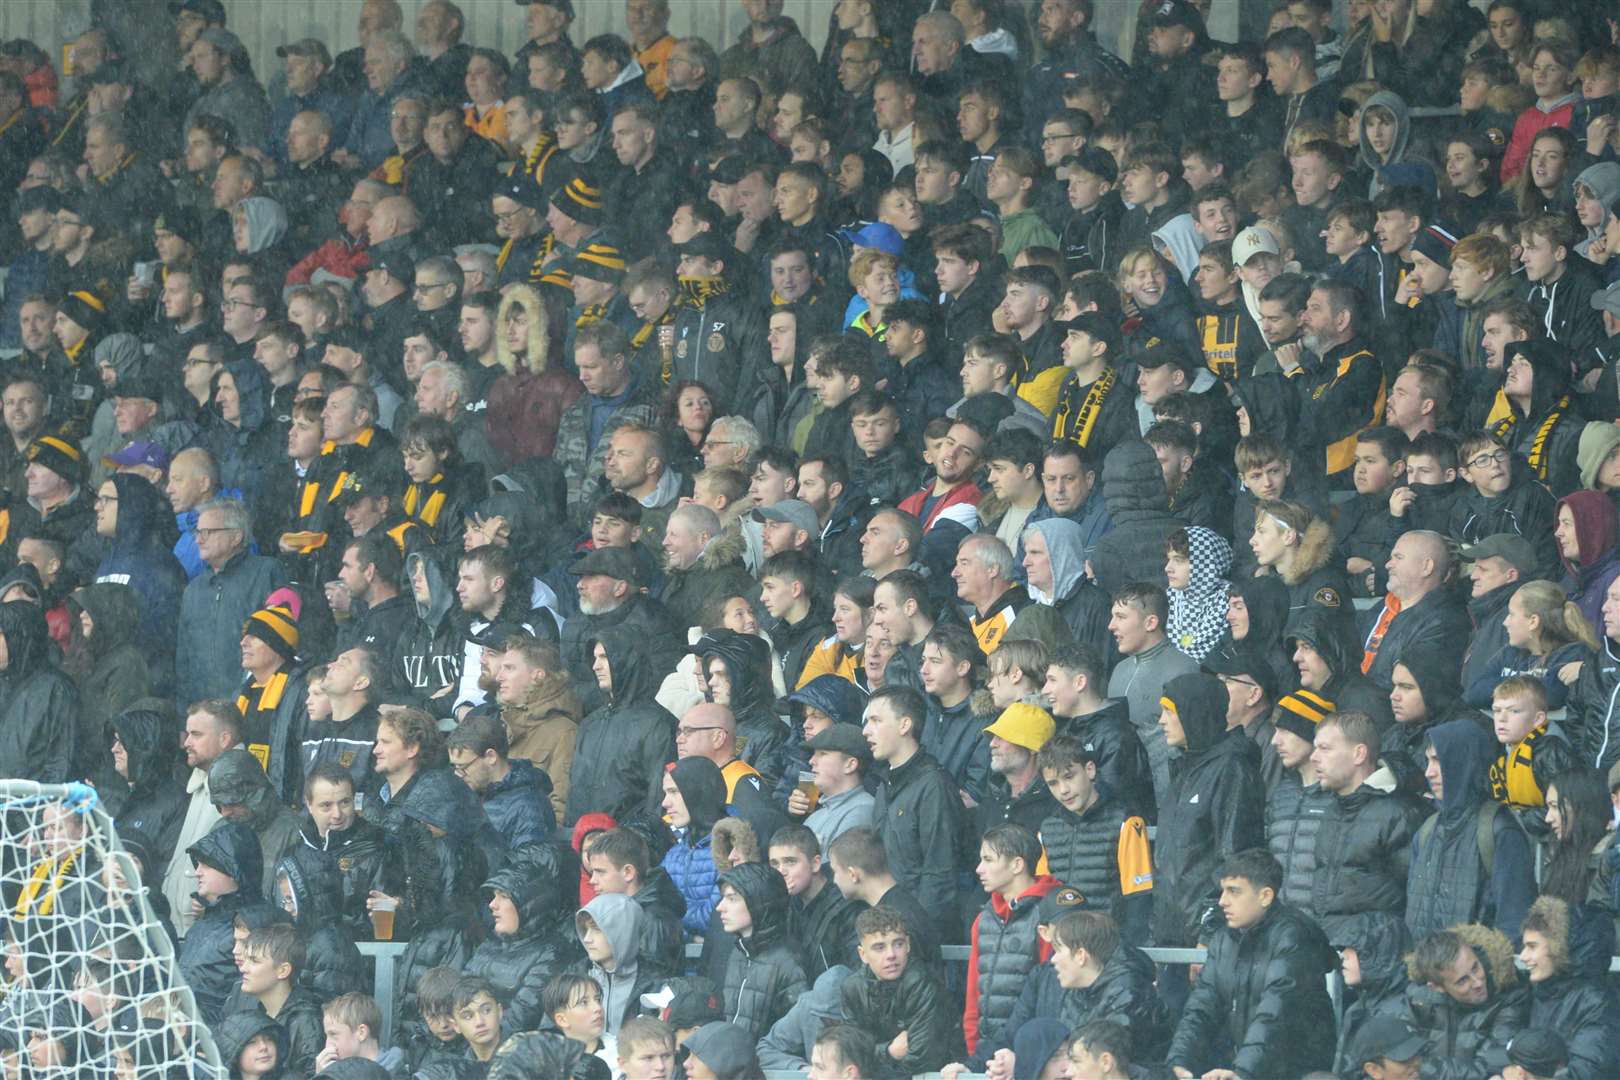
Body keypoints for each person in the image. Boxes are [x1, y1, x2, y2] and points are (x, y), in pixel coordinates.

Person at [1167, 849, 1338, 1078]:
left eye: (1234, 891)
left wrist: (1241, 1073)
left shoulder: (1294, 937)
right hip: (1252, 1067)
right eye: (1223, 890)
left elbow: (1274, 1014)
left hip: (1297, 1072)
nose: (1222, 901)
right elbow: (1201, 1007)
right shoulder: (1224, 939)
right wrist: (1180, 1059)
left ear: (1265, 896)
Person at [1406, 718, 1537, 942]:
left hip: (1478, 973)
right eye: (1427, 761)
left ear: (1464, 763)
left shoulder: (1499, 829)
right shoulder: (1427, 830)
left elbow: (1513, 922)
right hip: (1426, 973)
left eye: (1438, 761)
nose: (1428, 773)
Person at [838, 905, 955, 1077]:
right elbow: (851, 1055)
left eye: (898, 944)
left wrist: (873, 1055)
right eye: (879, 948)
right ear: (862, 954)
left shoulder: (923, 982)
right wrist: (889, 1051)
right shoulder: (851, 988)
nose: (891, 954)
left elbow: (922, 1060)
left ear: (908, 945)